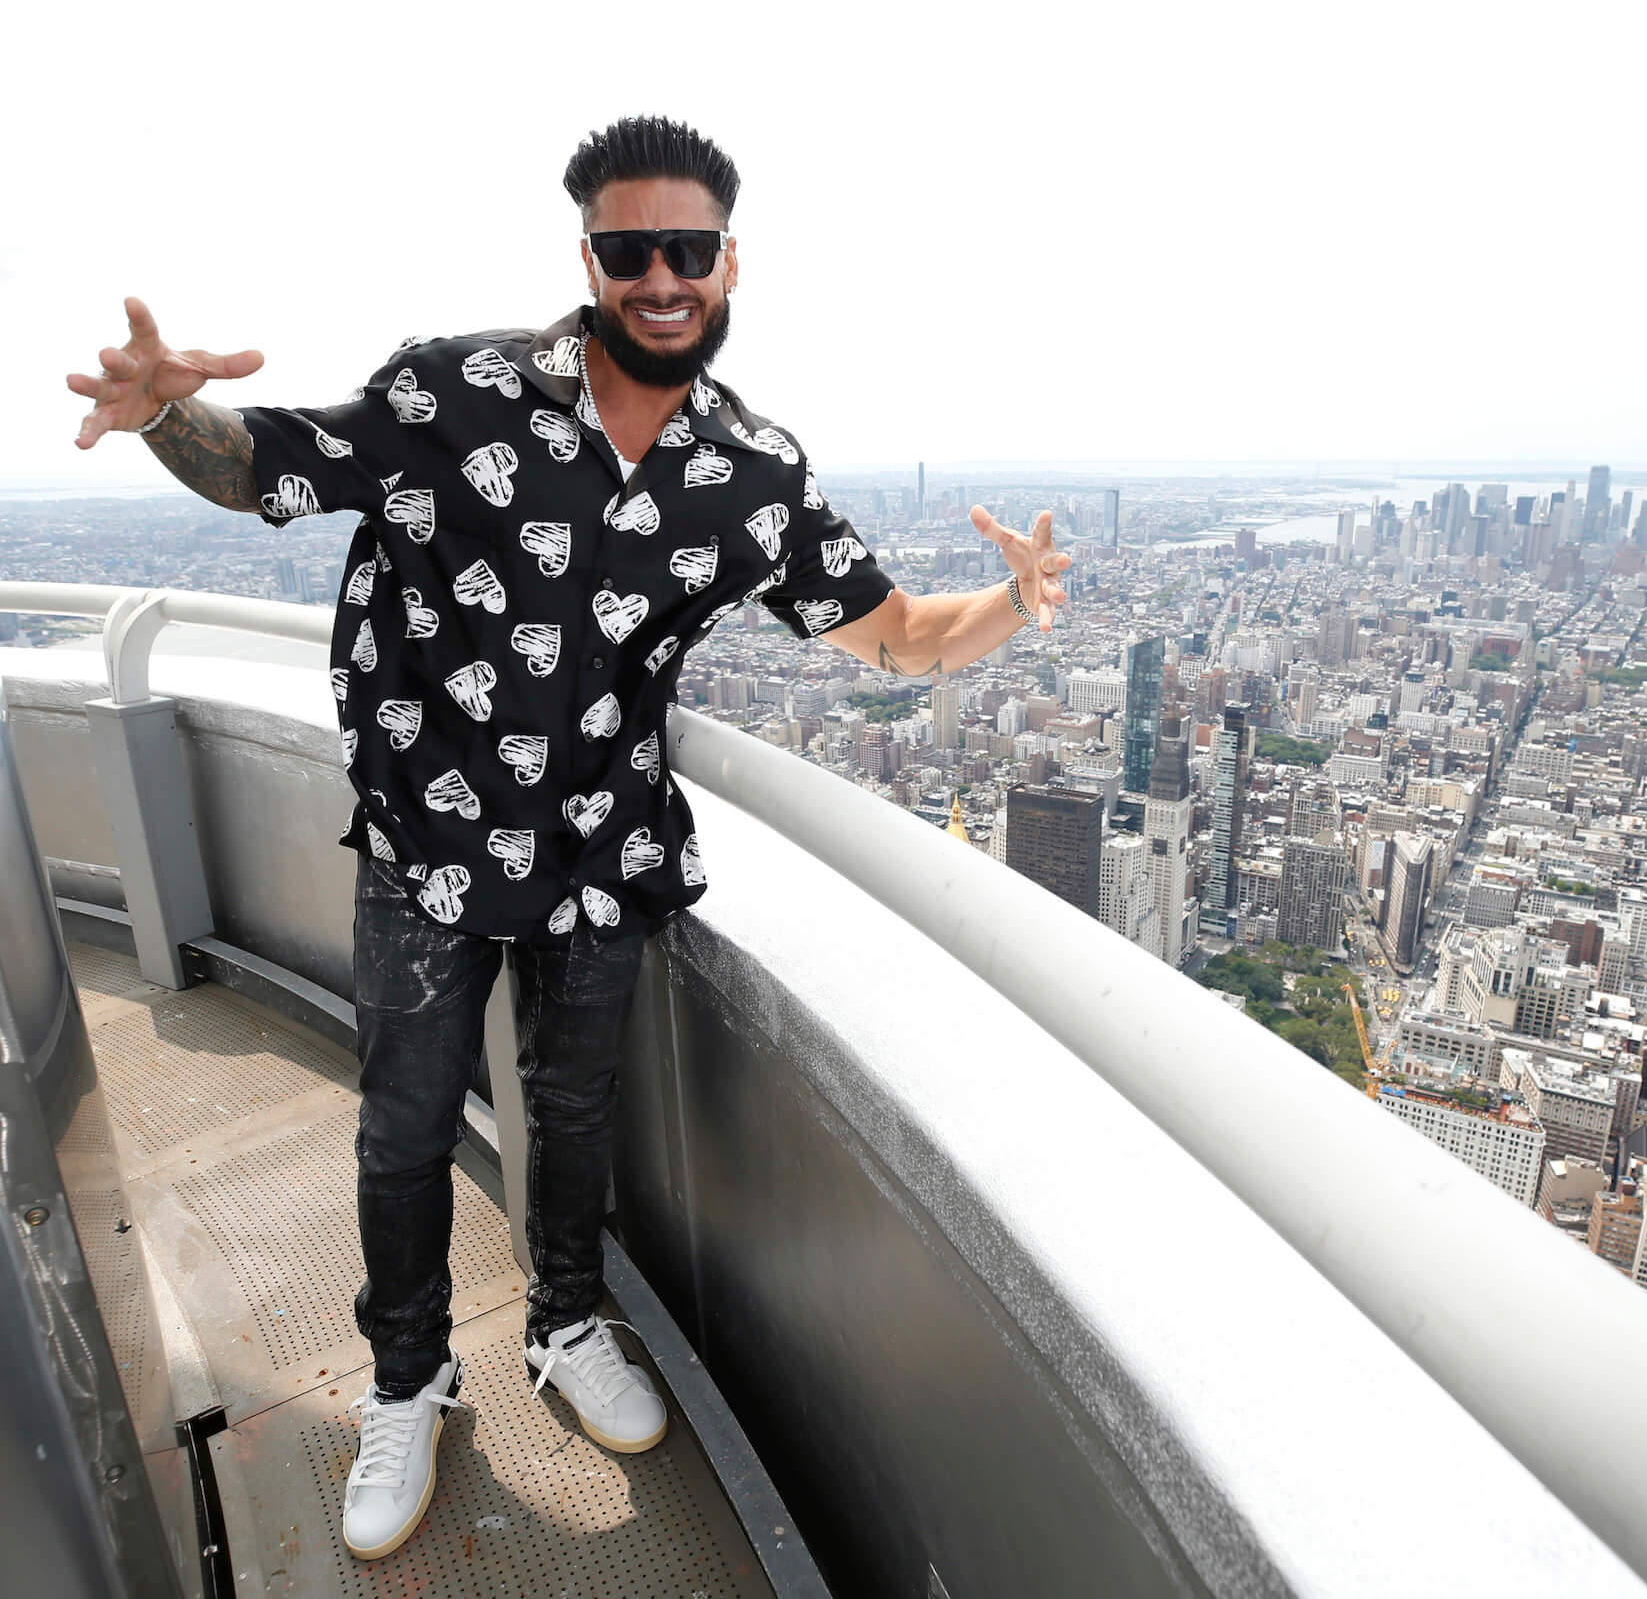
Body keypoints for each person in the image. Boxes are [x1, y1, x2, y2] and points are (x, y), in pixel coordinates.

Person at [65, 115, 1073, 1563]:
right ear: (589, 258)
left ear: (730, 262)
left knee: (579, 1111)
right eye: (630, 248)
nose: (662, 276)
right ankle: (410, 1376)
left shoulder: (747, 472)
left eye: (690, 250)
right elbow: (267, 468)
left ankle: (564, 1322)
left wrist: (1011, 609)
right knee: (405, 1128)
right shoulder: (454, 394)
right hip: (433, 840)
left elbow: (898, 636)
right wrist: (170, 412)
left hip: (603, 850)